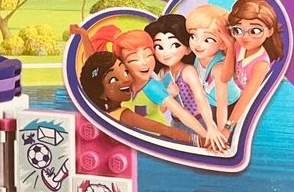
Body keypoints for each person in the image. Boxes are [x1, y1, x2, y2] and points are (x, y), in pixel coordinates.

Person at [80, 51, 209, 146]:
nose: (126, 79)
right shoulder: (123, 115)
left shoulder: (106, 113)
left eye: (125, 72)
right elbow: (161, 129)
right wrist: (196, 140)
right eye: (113, 79)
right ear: (99, 92)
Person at [144, 14, 226, 149]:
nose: (166, 53)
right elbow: (162, 109)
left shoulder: (188, 71)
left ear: (187, 49)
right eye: (159, 47)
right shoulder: (162, 73)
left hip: (199, 123)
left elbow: (201, 98)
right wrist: (168, 95)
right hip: (176, 123)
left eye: (175, 45)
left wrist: (211, 127)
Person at [225, 0, 284, 131]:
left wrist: (228, 127)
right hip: (232, 97)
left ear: (269, 31)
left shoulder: (260, 65)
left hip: (246, 109)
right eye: (238, 30)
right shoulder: (238, 45)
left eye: (255, 31)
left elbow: (246, 99)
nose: (245, 36)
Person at [185, 4, 240, 131]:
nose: (197, 44)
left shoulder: (218, 68)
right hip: (210, 102)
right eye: (193, 36)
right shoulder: (198, 56)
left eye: (207, 40)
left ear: (222, 44)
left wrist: (222, 133)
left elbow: (222, 105)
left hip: (229, 106)